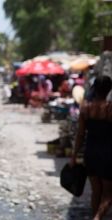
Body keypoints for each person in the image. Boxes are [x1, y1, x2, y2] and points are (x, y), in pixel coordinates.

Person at [71, 75, 112, 220]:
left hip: (91, 152)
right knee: (108, 193)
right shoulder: (110, 108)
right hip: (108, 154)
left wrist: (74, 156)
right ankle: (97, 218)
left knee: (96, 191)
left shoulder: (85, 108)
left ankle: (95, 215)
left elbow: (80, 135)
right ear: (109, 89)